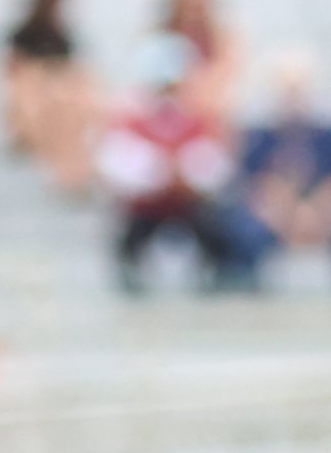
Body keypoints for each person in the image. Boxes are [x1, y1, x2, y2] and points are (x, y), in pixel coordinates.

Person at [97, 34, 255, 291]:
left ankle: (216, 273)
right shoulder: (131, 117)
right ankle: (130, 271)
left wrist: (186, 176)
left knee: (213, 225)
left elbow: (217, 165)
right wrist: (161, 175)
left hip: (189, 202)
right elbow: (117, 164)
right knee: (130, 231)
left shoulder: (201, 116)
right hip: (147, 205)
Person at [237, 54, 331, 291]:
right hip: (275, 213)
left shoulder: (329, 135)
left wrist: (317, 215)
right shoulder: (261, 135)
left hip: (325, 211)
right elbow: (259, 185)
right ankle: (248, 291)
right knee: (245, 234)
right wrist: (289, 215)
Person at [0, 0, 99, 192]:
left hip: (57, 88)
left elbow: (70, 66)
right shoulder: (24, 33)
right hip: (36, 86)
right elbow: (14, 67)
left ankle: (72, 169)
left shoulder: (64, 34)